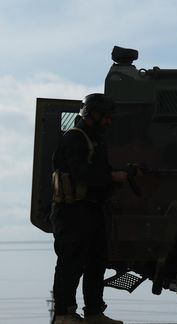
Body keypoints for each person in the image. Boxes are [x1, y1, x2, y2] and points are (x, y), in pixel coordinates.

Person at [50, 93, 129, 324]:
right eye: (105, 117)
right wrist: (112, 176)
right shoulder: (75, 139)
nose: (109, 122)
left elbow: (101, 171)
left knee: (96, 262)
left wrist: (124, 173)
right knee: (70, 263)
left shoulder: (96, 140)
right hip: (71, 211)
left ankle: (94, 313)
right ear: (92, 114)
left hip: (91, 209)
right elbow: (82, 174)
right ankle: (64, 314)